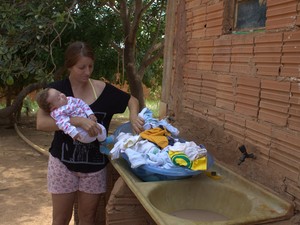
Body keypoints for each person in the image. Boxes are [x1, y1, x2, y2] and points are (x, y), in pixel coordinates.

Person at [36, 41, 144, 225]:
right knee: (60, 219)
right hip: (62, 165)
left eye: (90, 66)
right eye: (81, 67)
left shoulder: (103, 90)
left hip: (95, 168)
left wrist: (134, 116)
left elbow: (132, 100)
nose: (87, 72)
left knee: (88, 218)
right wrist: (77, 120)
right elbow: (41, 123)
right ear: (70, 66)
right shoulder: (57, 91)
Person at [36, 88, 106, 143]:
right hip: (78, 131)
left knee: (101, 129)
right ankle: (99, 140)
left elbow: (82, 103)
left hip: (88, 120)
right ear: (54, 108)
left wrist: (90, 113)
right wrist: (73, 133)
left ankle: (104, 142)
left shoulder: (70, 99)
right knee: (90, 137)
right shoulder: (58, 112)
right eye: (59, 98)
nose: (62, 95)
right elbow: (63, 124)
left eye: (60, 93)